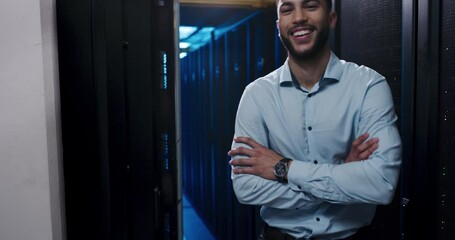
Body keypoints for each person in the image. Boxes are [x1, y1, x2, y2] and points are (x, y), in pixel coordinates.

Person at [228, 0, 402, 239]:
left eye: (310, 5)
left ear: (331, 18)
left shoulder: (368, 85)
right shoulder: (257, 95)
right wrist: (342, 178)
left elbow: (381, 184)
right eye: (288, 9)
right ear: (279, 26)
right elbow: (246, 188)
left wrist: (284, 169)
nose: (298, 17)